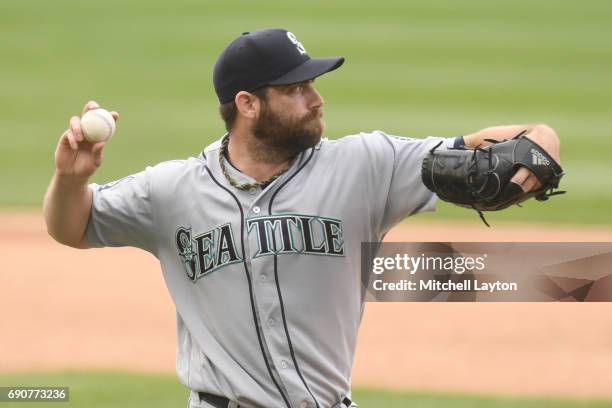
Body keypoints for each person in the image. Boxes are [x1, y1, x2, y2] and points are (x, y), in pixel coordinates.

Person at [43, 28, 561, 408]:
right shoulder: (171, 190)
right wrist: (71, 179)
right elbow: (73, 226)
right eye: (294, 90)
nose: (316, 99)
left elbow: (519, 138)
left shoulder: (366, 164)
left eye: (312, 83)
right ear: (247, 103)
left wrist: (538, 150)